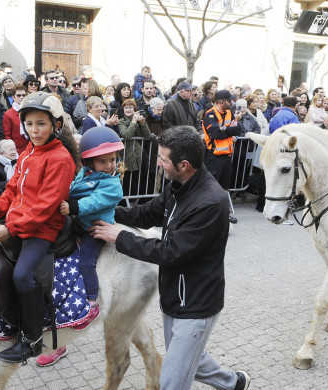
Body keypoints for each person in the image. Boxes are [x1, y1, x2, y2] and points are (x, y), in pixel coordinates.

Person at [90, 126, 251, 390]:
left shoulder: (210, 202)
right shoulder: (177, 185)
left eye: (163, 158)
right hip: (174, 296)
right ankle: (234, 383)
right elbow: (146, 213)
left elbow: (170, 252)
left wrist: (119, 237)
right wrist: (108, 214)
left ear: (184, 164)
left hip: (196, 304)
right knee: (190, 359)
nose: (159, 163)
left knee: (171, 382)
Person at [0, 91, 76, 364]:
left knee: (22, 276)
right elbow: (11, 191)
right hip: (17, 222)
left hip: (42, 228)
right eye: (30, 123)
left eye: (41, 124)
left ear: (56, 125)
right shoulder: (28, 151)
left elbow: (45, 206)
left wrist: (11, 228)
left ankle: (32, 340)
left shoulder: (60, 158)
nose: (35, 130)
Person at [61, 126, 124, 333]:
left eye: (112, 160)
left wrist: (73, 206)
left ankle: (92, 301)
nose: (109, 165)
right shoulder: (85, 174)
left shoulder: (113, 185)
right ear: (89, 163)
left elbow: (95, 201)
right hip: (79, 222)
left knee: (86, 262)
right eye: (102, 161)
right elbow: (74, 188)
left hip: (94, 229)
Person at [202, 90, 242, 224]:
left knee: (224, 188)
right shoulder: (210, 114)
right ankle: (207, 216)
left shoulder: (229, 113)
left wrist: (225, 129)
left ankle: (224, 214)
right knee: (211, 187)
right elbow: (215, 134)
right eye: (229, 100)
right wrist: (229, 130)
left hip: (227, 156)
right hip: (214, 157)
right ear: (221, 102)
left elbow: (238, 129)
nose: (231, 103)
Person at [120, 99, 151, 197]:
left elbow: (147, 136)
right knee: (127, 181)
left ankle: (135, 200)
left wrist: (142, 123)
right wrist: (133, 121)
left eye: (130, 107)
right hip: (127, 155)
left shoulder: (137, 120)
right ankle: (125, 201)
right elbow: (126, 134)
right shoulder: (121, 121)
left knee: (137, 181)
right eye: (126, 107)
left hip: (138, 154)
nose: (128, 110)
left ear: (135, 109)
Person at [2, 85, 28, 154]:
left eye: (23, 95)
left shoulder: (29, 112)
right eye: (18, 95)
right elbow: (7, 136)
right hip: (17, 151)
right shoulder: (8, 114)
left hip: (30, 147)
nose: (21, 97)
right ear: (13, 97)